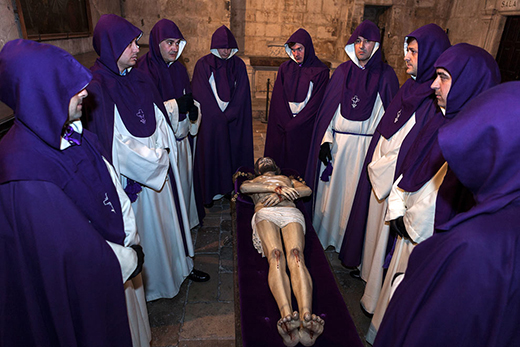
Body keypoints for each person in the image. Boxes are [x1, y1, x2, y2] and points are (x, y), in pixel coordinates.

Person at [0, 39, 147, 346]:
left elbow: (108, 184)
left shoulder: (72, 132)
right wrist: (127, 259)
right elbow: (71, 251)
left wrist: (129, 234)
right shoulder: (23, 172)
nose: (84, 91)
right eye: (70, 86)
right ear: (42, 93)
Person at [367, 42, 500, 343]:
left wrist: (409, 215)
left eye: (443, 77)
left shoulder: (477, 135)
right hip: (411, 223)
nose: (434, 84)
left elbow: (449, 192)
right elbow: (413, 165)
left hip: (429, 235)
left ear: (469, 80)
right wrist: (401, 205)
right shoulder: (442, 117)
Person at [84, 14, 207, 303]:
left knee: (169, 224)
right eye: (130, 45)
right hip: (137, 179)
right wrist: (156, 160)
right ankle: (157, 285)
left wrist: (165, 148)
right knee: (151, 232)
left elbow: (159, 118)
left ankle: (180, 268)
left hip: (159, 165)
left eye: (136, 44)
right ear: (113, 47)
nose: (137, 50)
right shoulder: (97, 86)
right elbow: (113, 143)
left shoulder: (139, 77)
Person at [349, 24, 450, 324]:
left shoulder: (434, 101)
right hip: (382, 172)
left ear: (430, 54)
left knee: (385, 242)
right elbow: (389, 127)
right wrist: (377, 160)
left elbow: (414, 146)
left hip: (397, 184)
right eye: (407, 50)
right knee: (373, 237)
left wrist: (382, 167)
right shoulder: (409, 87)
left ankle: (375, 294)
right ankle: (368, 276)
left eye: (414, 52)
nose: (406, 57)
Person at [305, 20, 399, 252]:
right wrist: (325, 140)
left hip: (365, 149)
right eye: (357, 41)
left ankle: (349, 243)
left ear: (376, 45)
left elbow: (391, 122)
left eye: (367, 42)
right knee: (331, 196)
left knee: (353, 199)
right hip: (338, 146)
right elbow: (327, 113)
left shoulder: (387, 76)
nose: (361, 46)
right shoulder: (341, 73)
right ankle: (326, 236)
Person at [240, 157, 324, 347]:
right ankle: (287, 316)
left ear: (276, 167)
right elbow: (244, 189)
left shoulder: (287, 178)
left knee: (296, 255)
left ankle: (306, 317)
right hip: (265, 212)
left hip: (289, 212)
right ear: (257, 169)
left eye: (268, 160)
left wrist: (282, 195)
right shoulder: (253, 181)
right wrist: (275, 189)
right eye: (261, 161)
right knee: (275, 255)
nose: (265, 161)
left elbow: (306, 190)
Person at [137, 18, 202, 230]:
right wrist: (176, 105)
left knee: (184, 185)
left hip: (181, 140)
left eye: (177, 43)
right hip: (163, 145)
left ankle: (185, 224)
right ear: (157, 42)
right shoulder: (145, 69)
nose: (174, 48)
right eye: (169, 43)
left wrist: (193, 108)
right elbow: (147, 110)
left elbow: (187, 96)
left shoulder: (180, 69)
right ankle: (173, 230)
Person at [192, 25, 254, 209]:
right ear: (214, 46)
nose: (225, 51)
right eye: (221, 47)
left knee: (232, 152)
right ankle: (211, 191)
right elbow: (200, 92)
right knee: (212, 154)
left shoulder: (239, 65)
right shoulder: (203, 65)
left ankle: (230, 188)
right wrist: (216, 117)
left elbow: (242, 93)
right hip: (211, 120)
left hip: (233, 120)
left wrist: (229, 115)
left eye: (228, 47)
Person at [263, 28, 329, 177]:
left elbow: (316, 103)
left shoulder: (320, 71)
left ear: (308, 48)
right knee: (280, 164)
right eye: (293, 50)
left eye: (299, 49)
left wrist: (295, 124)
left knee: (299, 167)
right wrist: (285, 122)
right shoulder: (285, 69)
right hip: (283, 123)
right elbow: (278, 99)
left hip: (305, 126)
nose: (296, 54)